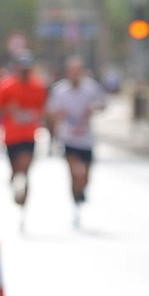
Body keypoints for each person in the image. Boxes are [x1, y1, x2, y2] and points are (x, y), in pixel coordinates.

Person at [47, 56, 108, 229]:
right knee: (74, 172)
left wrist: (93, 108)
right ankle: (75, 202)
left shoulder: (91, 88)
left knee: (85, 175)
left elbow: (102, 104)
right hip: (69, 138)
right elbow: (51, 112)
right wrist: (60, 116)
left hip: (86, 139)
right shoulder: (60, 91)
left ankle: (81, 191)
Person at [0, 54, 51, 218]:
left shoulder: (38, 86)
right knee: (16, 170)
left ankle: (24, 203)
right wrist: (9, 109)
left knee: (26, 167)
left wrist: (38, 116)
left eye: (27, 68)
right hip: (10, 136)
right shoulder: (6, 86)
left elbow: (45, 109)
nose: (25, 71)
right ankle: (15, 183)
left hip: (30, 135)